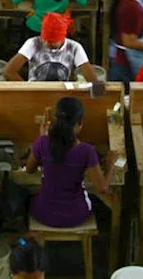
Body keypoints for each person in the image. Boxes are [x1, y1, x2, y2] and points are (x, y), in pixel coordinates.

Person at [25, 97, 109, 227]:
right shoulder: (86, 151)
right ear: (80, 124)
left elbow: (29, 170)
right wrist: (111, 164)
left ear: (56, 119)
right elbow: (102, 188)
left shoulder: (42, 142)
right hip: (75, 215)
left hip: (44, 213)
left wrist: (42, 139)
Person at [5, 12, 98, 82]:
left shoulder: (74, 47)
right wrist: (28, 90)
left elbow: (92, 79)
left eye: (51, 42)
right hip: (36, 92)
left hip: (62, 93)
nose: (46, 43)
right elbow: (9, 72)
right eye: (44, 39)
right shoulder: (33, 43)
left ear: (62, 38)